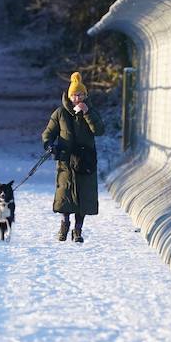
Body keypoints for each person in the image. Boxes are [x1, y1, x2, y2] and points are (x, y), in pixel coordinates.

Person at [42, 71, 103, 243]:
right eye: (75, 95)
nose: (78, 98)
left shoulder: (90, 111)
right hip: (66, 160)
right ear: (69, 96)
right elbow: (48, 133)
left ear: (85, 95)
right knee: (65, 194)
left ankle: (78, 230)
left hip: (86, 161)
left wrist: (87, 113)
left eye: (81, 94)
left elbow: (99, 130)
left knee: (83, 196)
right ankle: (64, 224)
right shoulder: (60, 113)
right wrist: (49, 145)